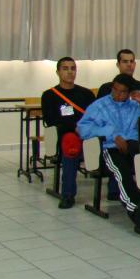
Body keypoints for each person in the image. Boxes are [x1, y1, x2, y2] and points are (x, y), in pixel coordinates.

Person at [77, 74, 140, 221]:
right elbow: (82, 128)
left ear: (129, 93)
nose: (117, 94)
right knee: (121, 169)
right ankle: (134, 207)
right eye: (115, 89)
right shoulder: (99, 105)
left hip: (132, 147)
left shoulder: (135, 106)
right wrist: (112, 135)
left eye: (123, 91)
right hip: (109, 148)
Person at [40, 57, 95, 209]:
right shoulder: (49, 95)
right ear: (58, 72)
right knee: (71, 146)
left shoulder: (86, 94)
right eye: (65, 68)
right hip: (65, 137)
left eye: (73, 68)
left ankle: (114, 191)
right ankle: (68, 195)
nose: (70, 72)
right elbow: (52, 121)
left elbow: (94, 116)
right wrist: (75, 127)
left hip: (87, 134)